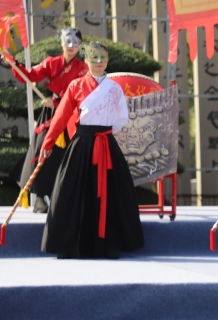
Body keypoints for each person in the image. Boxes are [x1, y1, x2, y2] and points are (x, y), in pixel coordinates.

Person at [39, 42, 143, 259]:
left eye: (102, 58)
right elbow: (61, 117)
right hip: (81, 145)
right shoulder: (76, 86)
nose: (98, 62)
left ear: (108, 60)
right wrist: (47, 143)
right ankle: (71, 245)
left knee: (113, 194)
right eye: (93, 58)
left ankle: (108, 245)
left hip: (106, 143)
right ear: (85, 60)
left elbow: (122, 117)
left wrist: (105, 132)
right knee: (71, 193)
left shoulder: (114, 87)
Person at [5, 28, 88, 212]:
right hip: (51, 115)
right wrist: (14, 64)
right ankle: (40, 196)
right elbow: (30, 76)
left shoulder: (83, 68)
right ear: (61, 43)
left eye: (76, 42)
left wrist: (58, 101)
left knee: (70, 156)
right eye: (68, 41)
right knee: (41, 150)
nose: (72, 45)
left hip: (72, 115)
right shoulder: (51, 63)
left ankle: (64, 198)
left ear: (80, 45)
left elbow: (81, 91)